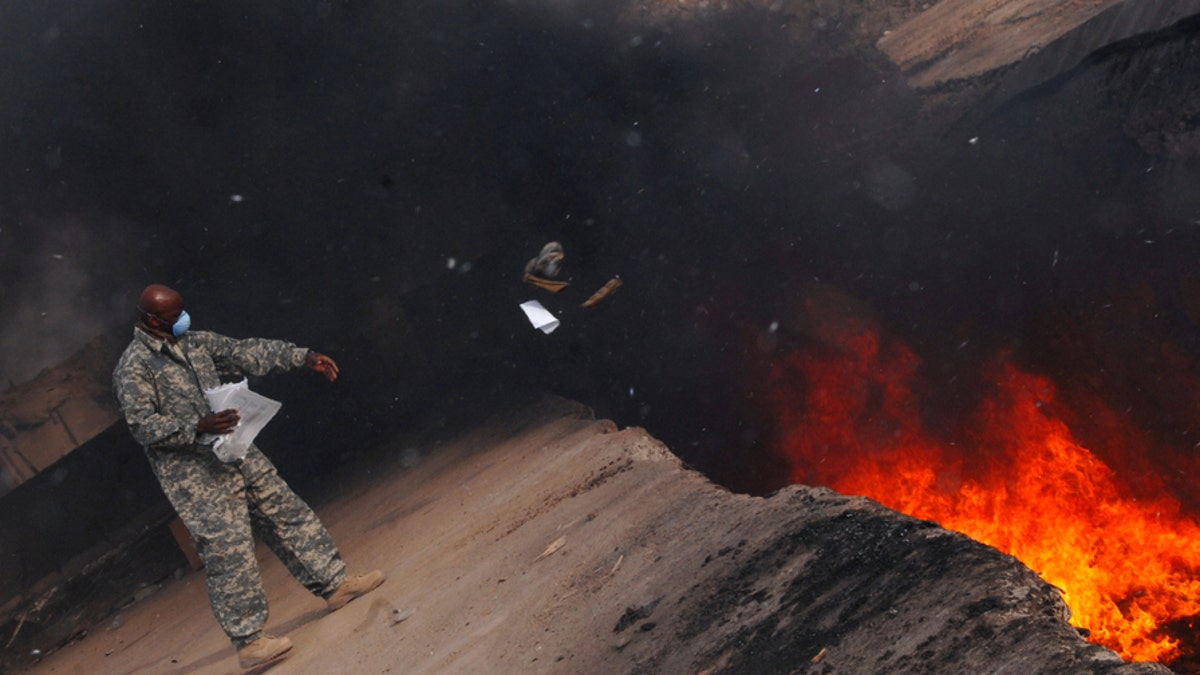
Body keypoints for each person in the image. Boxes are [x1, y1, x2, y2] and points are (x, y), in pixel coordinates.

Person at [112, 284, 385, 669]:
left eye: (183, 312)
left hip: (238, 452)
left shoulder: (194, 342)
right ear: (151, 320)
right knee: (229, 554)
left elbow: (244, 352)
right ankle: (250, 642)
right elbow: (143, 426)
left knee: (287, 514)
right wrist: (198, 425)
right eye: (176, 316)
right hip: (195, 476)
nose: (184, 320)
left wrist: (302, 357)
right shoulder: (133, 368)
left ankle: (335, 584)